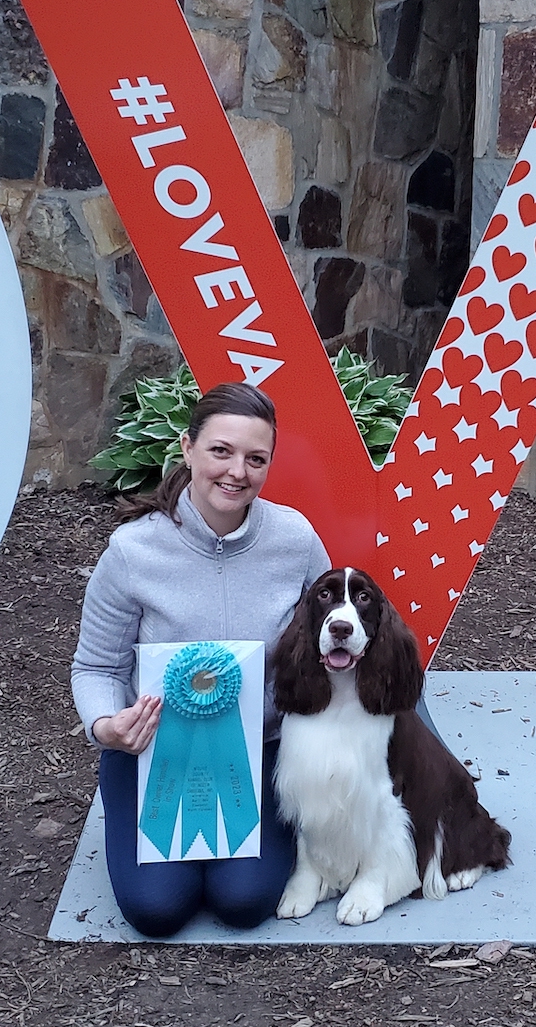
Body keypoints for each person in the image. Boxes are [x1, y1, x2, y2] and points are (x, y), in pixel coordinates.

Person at [71, 382, 331, 937]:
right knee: (157, 909)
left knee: (244, 901)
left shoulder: (296, 540)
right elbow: (96, 667)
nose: (238, 471)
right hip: (152, 756)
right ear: (187, 449)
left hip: (261, 754)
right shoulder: (132, 551)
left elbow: (328, 643)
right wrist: (106, 726)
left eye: (256, 459)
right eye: (221, 451)